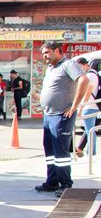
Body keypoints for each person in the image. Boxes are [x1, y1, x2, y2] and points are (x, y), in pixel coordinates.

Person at [34, 41, 89, 197]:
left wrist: (74, 106)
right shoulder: (51, 68)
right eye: (43, 53)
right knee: (50, 149)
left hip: (61, 115)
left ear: (57, 51)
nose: (44, 56)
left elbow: (83, 80)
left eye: (47, 52)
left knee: (60, 152)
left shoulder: (68, 65)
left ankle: (65, 184)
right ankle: (52, 181)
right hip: (49, 114)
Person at [74, 57, 100, 157]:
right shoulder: (94, 74)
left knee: (90, 131)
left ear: (86, 65)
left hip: (89, 106)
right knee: (90, 130)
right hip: (92, 106)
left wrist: (81, 107)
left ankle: (91, 153)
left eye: (81, 67)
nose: (80, 69)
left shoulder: (90, 76)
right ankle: (89, 151)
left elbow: (87, 93)